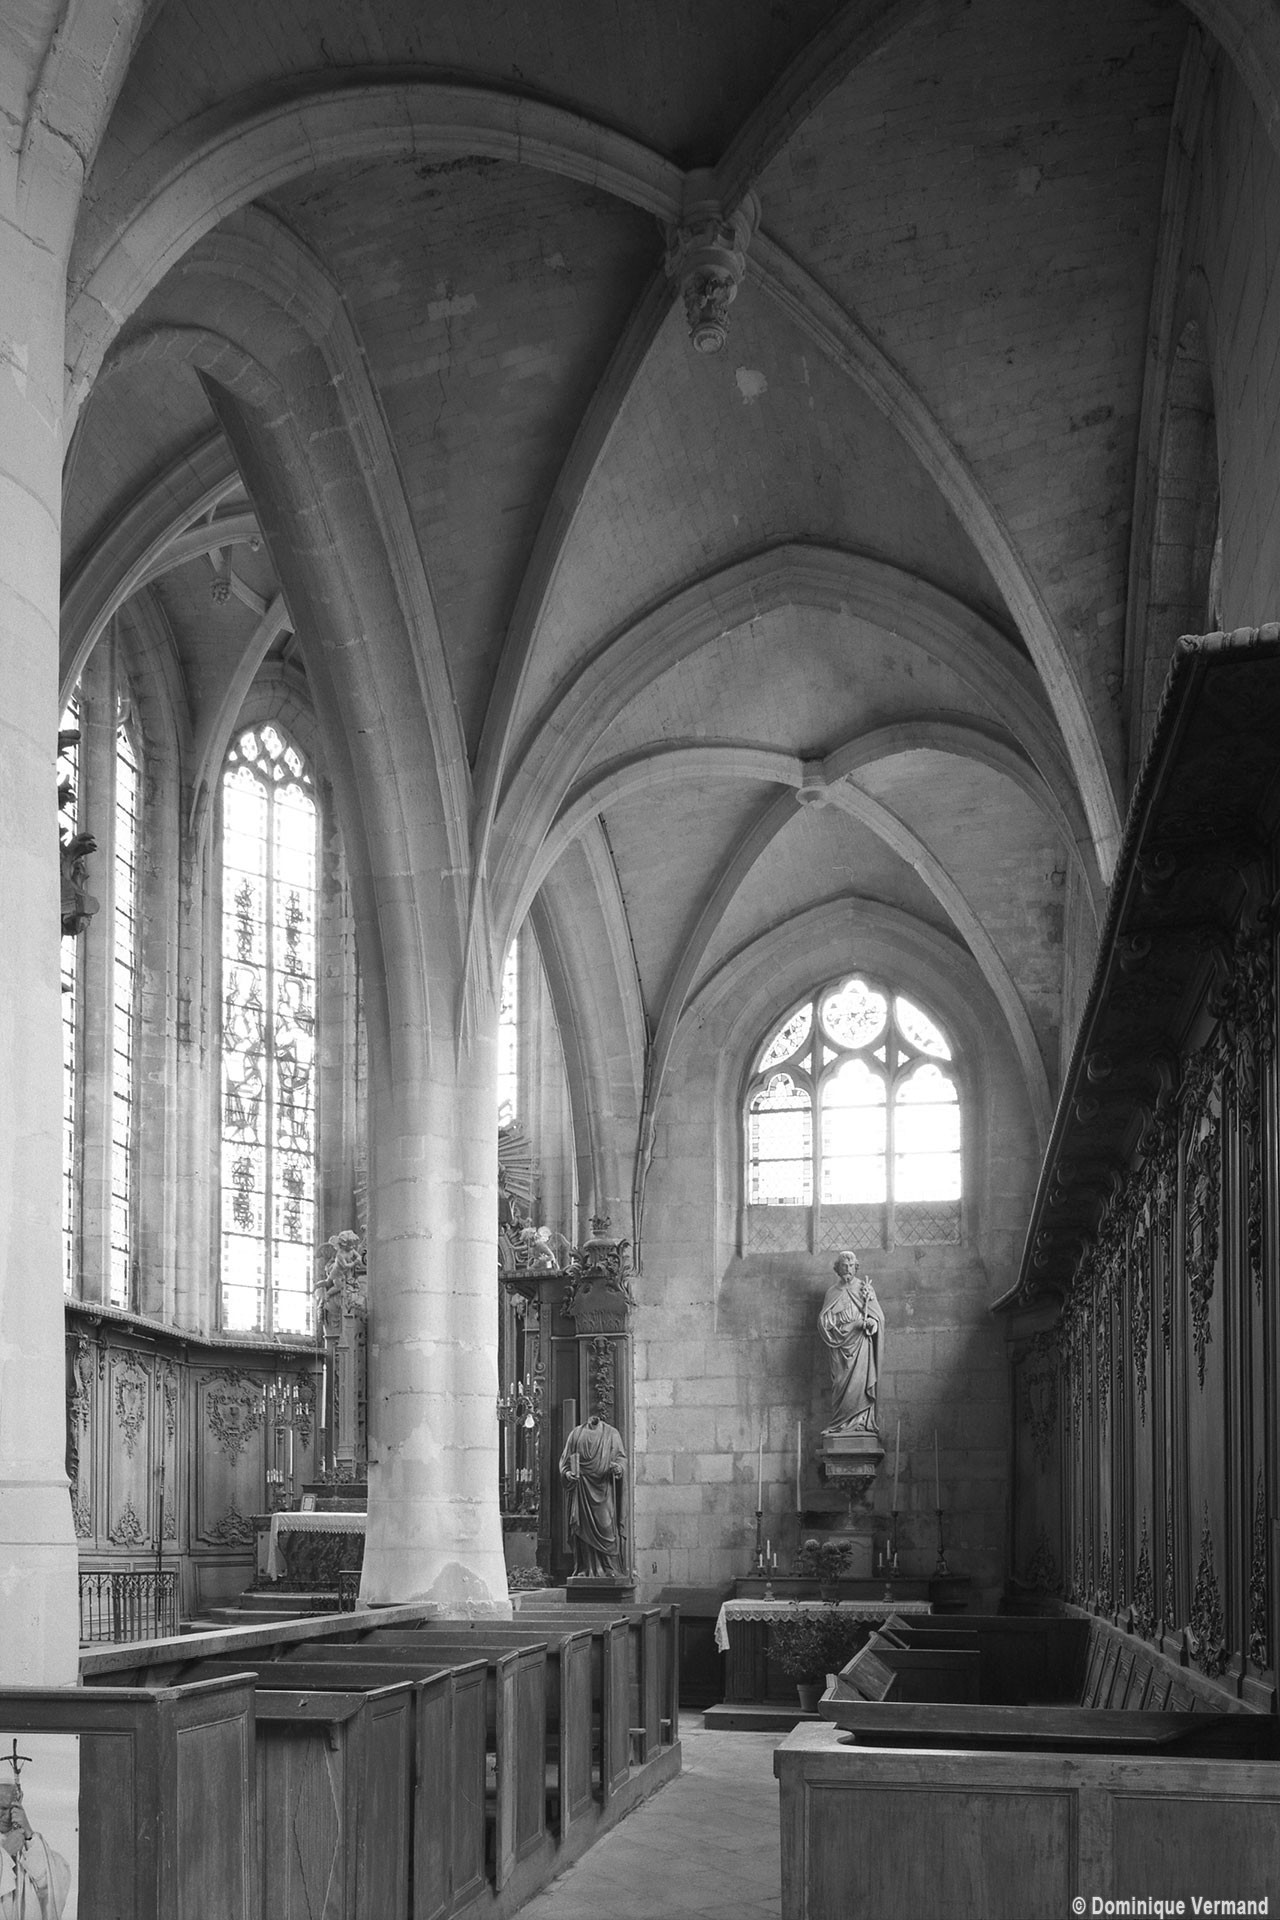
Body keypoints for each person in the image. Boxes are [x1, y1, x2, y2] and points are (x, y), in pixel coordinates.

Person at [818, 1250, 882, 1434]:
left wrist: (872, 1323)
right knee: (840, 1383)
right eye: (844, 1266)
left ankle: (860, 1422)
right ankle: (839, 1424)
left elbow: (877, 1316)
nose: (847, 1269)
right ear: (837, 1269)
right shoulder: (832, 1292)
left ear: (856, 1267)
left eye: (851, 1266)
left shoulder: (864, 1289)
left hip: (860, 1344)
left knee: (860, 1385)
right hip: (839, 1345)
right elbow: (824, 1321)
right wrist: (835, 1321)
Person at [558, 1412, 627, 1576]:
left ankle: (609, 1568)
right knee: (582, 1529)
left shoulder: (612, 1433)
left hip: (604, 1488)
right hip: (582, 1488)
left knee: (607, 1526)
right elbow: (565, 1461)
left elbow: (621, 1458)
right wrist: (567, 1474)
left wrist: (618, 1468)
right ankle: (586, 1568)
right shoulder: (576, 1434)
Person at [0, 1779, 70, 1920]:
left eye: (9, 1808)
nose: (4, 1815)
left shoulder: (29, 1843)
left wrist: (29, 1834)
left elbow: (51, 1885)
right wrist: (4, 1854)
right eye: (0, 1808)